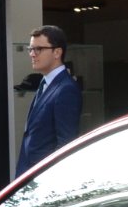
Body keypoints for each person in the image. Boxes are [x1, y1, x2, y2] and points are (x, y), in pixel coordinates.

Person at [15, 25, 81, 175]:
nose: (32, 54)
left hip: (43, 179)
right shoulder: (45, 83)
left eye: (38, 49)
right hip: (29, 176)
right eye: (30, 49)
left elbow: (66, 143)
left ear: (57, 52)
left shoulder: (66, 89)